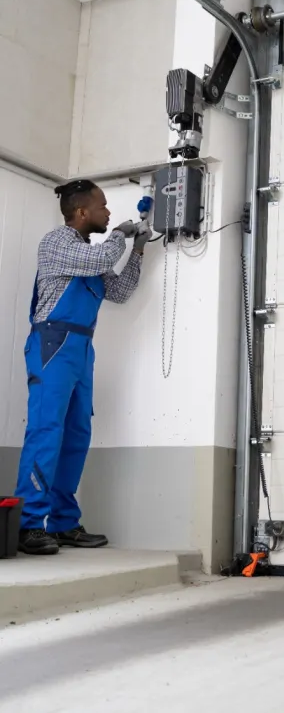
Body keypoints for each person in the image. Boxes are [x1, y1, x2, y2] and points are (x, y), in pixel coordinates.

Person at [15, 179, 151, 555]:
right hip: (53, 344)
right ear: (81, 213)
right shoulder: (57, 243)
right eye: (103, 206)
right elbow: (102, 259)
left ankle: (62, 523)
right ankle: (29, 526)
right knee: (46, 431)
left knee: (76, 435)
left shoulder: (89, 254)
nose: (108, 213)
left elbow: (120, 292)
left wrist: (138, 249)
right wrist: (121, 235)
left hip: (81, 349)